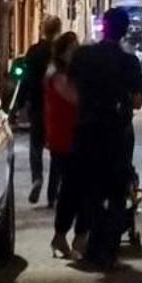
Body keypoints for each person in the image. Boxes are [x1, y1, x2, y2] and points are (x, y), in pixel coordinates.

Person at [59, 7, 142, 267]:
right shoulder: (128, 62)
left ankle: (88, 245)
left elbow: (68, 87)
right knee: (117, 193)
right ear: (124, 30)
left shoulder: (84, 56)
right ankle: (107, 250)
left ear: (103, 27)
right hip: (116, 134)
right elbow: (138, 101)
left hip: (85, 130)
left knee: (89, 189)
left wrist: (86, 103)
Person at [14, 14, 62, 205]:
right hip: (57, 107)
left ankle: (37, 178)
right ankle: (53, 191)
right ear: (58, 30)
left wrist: (20, 104)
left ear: (43, 30)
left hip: (37, 105)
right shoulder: (61, 51)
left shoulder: (33, 51)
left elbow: (25, 79)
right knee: (57, 150)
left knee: (36, 145)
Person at [43, 30, 79, 248]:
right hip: (64, 136)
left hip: (72, 135)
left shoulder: (67, 74)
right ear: (63, 52)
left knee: (71, 186)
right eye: (72, 49)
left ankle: (65, 235)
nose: (75, 53)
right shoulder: (55, 75)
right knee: (71, 187)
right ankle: (63, 235)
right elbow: (72, 99)